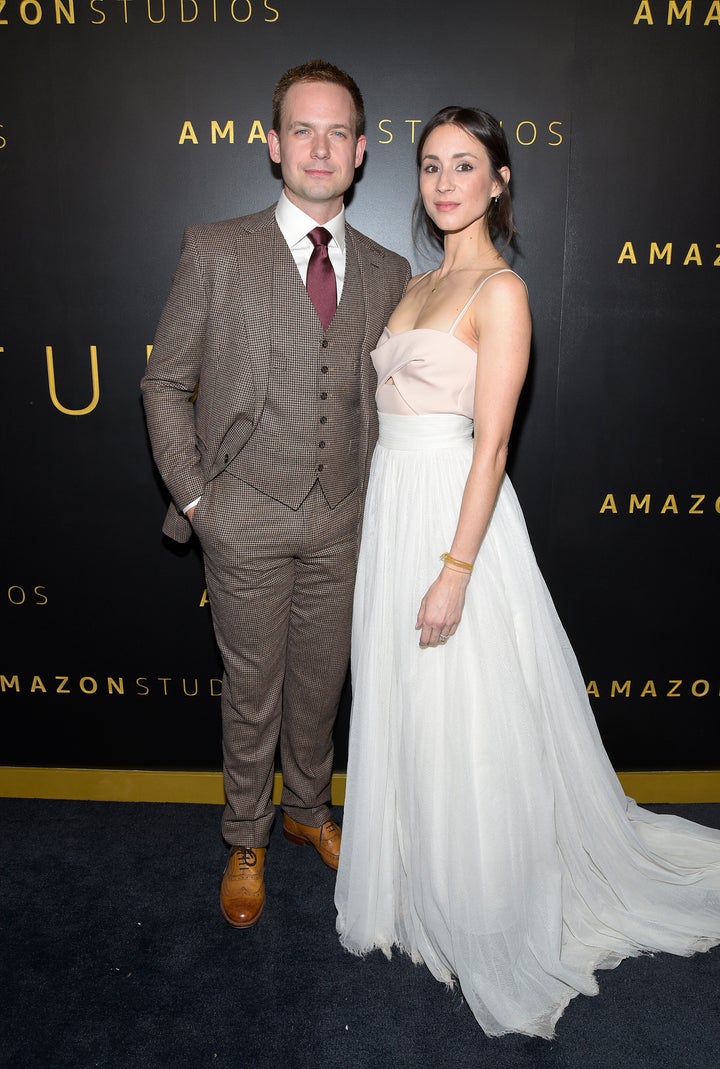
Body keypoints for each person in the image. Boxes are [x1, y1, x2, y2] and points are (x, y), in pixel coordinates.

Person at [335, 105, 720, 1038]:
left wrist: (456, 568)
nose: (445, 182)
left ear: (500, 179)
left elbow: (494, 440)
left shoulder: (500, 293)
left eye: (466, 165)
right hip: (396, 507)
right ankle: (416, 880)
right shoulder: (416, 284)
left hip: (455, 521)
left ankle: (486, 904)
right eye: (431, 165)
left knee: (470, 709)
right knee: (411, 700)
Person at [141, 60, 411, 929]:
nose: (320, 147)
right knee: (251, 687)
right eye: (303, 129)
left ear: (363, 151)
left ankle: (307, 810)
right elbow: (163, 382)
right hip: (243, 517)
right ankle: (246, 834)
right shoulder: (215, 249)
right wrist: (197, 501)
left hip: (344, 519)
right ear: (272, 145)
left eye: (338, 132)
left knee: (322, 684)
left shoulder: (388, 268)